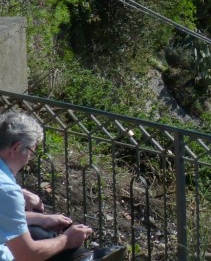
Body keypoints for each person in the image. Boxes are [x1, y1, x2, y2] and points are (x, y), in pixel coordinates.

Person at [0, 111, 124, 261]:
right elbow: (27, 255)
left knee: (40, 233)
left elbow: (4, 218)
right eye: (31, 153)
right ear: (16, 147)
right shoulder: (8, 191)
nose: (28, 160)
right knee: (52, 244)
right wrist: (67, 239)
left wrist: (40, 219)